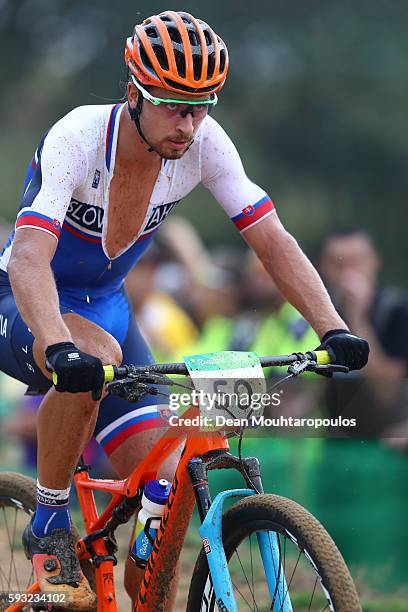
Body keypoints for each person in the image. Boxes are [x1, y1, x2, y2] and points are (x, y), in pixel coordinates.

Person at [0, 10, 369, 610]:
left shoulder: (205, 144)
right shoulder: (79, 136)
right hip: (24, 297)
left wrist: (334, 326)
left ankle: (145, 557)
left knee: (165, 513)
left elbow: (272, 240)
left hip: (110, 310)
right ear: (133, 94)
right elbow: (29, 259)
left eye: (202, 106)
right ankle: (47, 523)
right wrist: (59, 344)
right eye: (173, 104)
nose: (189, 123)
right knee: (92, 354)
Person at [318, 228, 408, 437]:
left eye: (356, 262)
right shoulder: (318, 315)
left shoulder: (397, 311)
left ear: (375, 261)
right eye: (338, 263)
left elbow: (389, 393)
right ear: (323, 267)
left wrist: (358, 317)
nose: (347, 272)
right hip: (334, 441)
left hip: (387, 439)